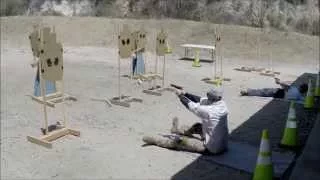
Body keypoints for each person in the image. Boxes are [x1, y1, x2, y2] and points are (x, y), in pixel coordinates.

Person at [143, 87, 229, 155]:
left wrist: (180, 95)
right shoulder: (221, 104)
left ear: (215, 97)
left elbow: (191, 106)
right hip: (222, 144)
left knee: (179, 141)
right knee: (198, 126)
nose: (207, 97)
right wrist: (185, 93)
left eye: (209, 96)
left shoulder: (210, 111)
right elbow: (200, 100)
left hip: (211, 149)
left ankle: (156, 141)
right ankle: (178, 131)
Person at [240, 77, 308, 104]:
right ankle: (249, 92)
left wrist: (279, 82)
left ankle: (248, 92)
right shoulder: (299, 96)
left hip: (278, 92)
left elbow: (286, 87)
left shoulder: (295, 90)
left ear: (301, 88)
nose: (299, 86)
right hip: (280, 96)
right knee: (263, 93)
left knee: (263, 91)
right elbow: (303, 100)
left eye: (300, 86)